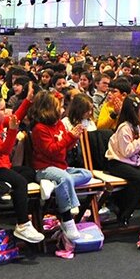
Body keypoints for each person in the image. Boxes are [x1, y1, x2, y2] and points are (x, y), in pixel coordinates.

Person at [0, 89, 45, 244]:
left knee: (29, 172)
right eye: (2, 109)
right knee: (20, 181)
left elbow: (16, 117)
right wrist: (12, 130)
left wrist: (28, 100)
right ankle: (23, 224)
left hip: (1, 167)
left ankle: (3, 185)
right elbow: (4, 150)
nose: (6, 112)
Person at [29, 91, 91, 241]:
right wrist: (69, 136)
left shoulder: (59, 124)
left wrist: (73, 138)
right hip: (44, 168)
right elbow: (51, 150)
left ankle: (54, 184)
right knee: (65, 178)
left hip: (60, 166)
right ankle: (67, 219)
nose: (62, 109)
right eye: (59, 106)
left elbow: (64, 149)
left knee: (87, 174)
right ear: (48, 109)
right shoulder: (40, 128)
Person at [103, 96, 140, 227]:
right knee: (139, 178)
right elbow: (126, 152)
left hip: (131, 163)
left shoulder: (139, 125)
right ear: (133, 111)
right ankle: (123, 210)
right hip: (117, 163)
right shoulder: (124, 128)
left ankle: (125, 210)